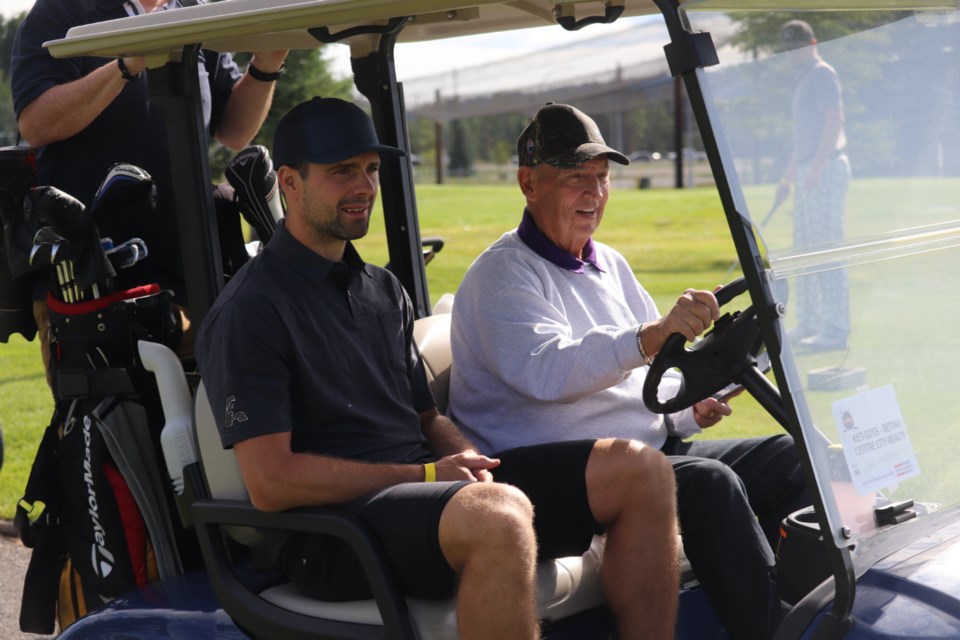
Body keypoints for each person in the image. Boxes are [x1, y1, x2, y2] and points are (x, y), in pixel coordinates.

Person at [195, 97, 681, 640]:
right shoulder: (250, 311)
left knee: (640, 470)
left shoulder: (381, 291)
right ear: (289, 182)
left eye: (371, 170)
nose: (363, 187)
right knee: (498, 516)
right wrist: (427, 475)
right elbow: (272, 483)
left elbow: (426, 419)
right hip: (333, 534)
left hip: (421, 497)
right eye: (341, 172)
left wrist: (460, 456)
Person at [448, 102, 810, 640]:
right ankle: (773, 632)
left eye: (601, 177)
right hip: (539, 471)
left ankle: (820, 610)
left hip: (636, 456)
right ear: (529, 183)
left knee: (789, 457)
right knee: (710, 484)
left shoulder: (608, 263)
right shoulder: (504, 274)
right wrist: (648, 336)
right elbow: (548, 371)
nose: (593, 194)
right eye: (576, 178)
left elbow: (647, 373)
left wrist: (688, 410)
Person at [11, 0, 288, 377]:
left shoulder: (193, 9)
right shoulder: (65, 9)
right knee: (113, 425)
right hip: (93, 280)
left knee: (207, 421)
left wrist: (265, 66)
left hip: (191, 270)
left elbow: (233, 131)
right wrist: (127, 63)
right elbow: (37, 123)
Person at [775, 19, 851, 351]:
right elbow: (802, 140)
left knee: (825, 248)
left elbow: (835, 119)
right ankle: (808, 324)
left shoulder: (822, 73)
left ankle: (834, 330)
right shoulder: (804, 80)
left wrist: (817, 168)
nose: (793, 53)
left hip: (827, 166)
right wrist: (787, 180)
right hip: (809, 169)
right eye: (789, 48)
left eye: (798, 46)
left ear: (813, 43)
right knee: (804, 249)